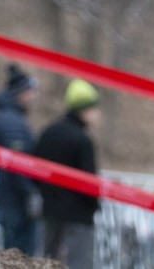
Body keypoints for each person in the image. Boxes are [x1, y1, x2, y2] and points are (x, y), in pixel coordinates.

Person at [33, 78, 102, 269]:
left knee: (46, 262)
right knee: (78, 263)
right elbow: (89, 182)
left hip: (50, 210)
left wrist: (48, 195)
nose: (98, 114)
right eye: (95, 108)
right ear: (84, 109)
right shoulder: (82, 140)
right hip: (78, 215)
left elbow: (34, 170)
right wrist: (93, 205)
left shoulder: (49, 132)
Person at [0, 63, 42, 256]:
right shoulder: (11, 121)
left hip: (12, 199)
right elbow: (17, 163)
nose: (32, 97)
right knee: (17, 255)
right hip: (15, 201)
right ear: (20, 93)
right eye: (30, 92)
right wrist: (30, 193)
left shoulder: (10, 118)